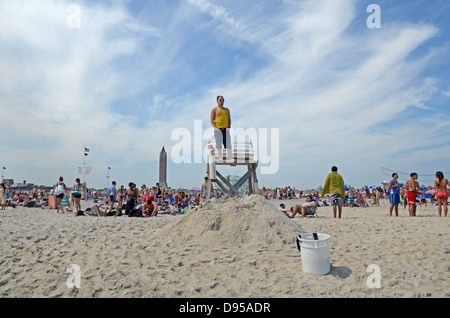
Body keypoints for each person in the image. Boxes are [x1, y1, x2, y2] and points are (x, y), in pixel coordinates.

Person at [210, 95, 233, 162]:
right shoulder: (214, 110)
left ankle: (230, 157)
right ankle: (220, 157)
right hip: (218, 129)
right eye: (220, 99)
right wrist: (215, 127)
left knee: (228, 144)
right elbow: (211, 120)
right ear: (217, 101)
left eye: (223, 100)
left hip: (226, 128)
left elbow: (229, 119)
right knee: (219, 144)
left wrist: (229, 127)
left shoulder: (227, 110)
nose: (222, 101)